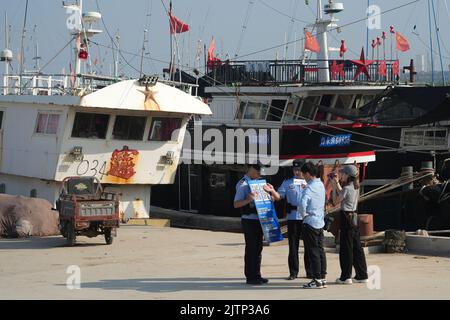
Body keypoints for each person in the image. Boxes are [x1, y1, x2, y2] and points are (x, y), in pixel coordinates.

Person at [234, 162, 274, 285]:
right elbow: (236, 204)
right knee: (251, 248)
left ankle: (257, 274)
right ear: (250, 170)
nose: (259, 174)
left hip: (260, 219)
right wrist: (248, 199)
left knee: (258, 248)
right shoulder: (243, 184)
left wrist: (269, 196)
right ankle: (250, 276)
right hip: (249, 220)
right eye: (257, 172)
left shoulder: (260, 183)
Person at [275, 159, 312, 280]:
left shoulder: (310, 183)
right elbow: (279, 195)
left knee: (308, 245)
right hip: (292, 218)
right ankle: (293, 272)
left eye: (299, 170)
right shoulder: (287, 183)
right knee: (293, 246)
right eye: (295, 170)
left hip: (306, 218)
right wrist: (271, 193)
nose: (297, 172)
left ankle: (310, 271)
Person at [331, 165, 369, 285]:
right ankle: (362, 274)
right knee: (357, 247)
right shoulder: (356, 186)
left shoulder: (347, 188)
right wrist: (337, 183)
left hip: (346, 218)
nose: (341, 174)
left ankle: (346, 276)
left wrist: (333, 186)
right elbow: (343, 193)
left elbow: (335, 201)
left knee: (346, 248)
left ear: (347, 175)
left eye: (343, 173)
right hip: (354, 217)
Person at [298, 162, 328, 289]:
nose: (303, 177)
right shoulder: (320, 184)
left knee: (313, 251)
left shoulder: (309, 188)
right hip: (320, 222)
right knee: (320, 250)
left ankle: (316, 280)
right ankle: (322, 277)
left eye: (303, 174)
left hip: (310, 222)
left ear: (308, 174)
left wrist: (303, 215)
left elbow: (301, 204)